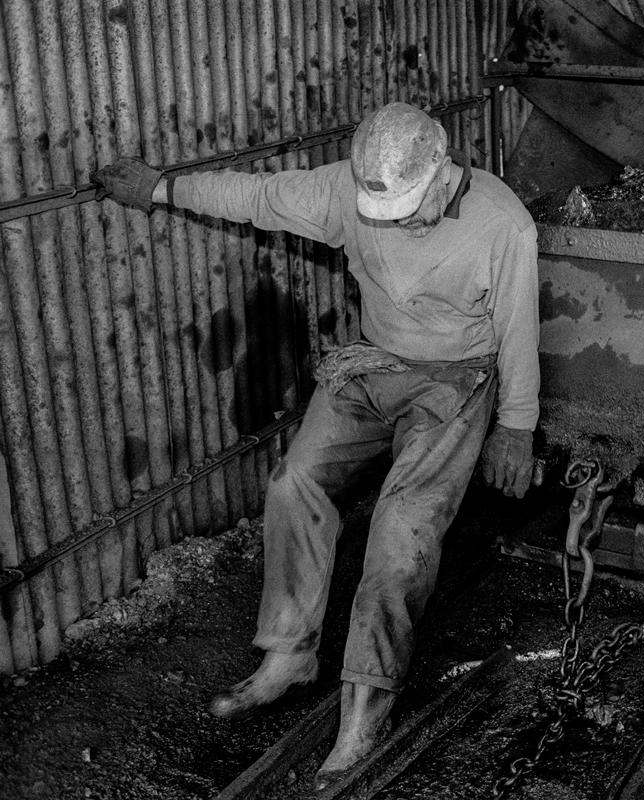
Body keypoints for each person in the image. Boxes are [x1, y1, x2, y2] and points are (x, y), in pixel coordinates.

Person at [92, 102, 539, 787]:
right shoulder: (342, 191)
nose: (398, 225)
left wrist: (516, 427)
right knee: (293, 482)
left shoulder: (503, 225)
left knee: (402, 531)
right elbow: (257, 197)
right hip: (375, 362)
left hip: (457, 378)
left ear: (442, 168)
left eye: (410, 210)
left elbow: (518, 333)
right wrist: (159, 186)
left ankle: (366, 708)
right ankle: (289, 654)